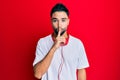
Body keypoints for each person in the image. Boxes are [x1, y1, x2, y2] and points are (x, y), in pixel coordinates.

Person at [33, 3, 89, 80]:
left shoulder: (77, 44)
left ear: (68, 21)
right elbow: (37, 74)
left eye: (63, 20)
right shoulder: (42, 42)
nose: (59, 25)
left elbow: (81, 71)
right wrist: (54, 48)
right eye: (55, 20)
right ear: (51, 21)